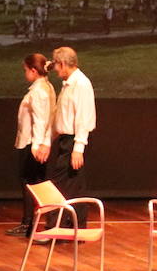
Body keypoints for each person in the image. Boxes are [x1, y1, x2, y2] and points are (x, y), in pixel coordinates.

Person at [6, 53, 56, 236]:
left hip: (31, 144)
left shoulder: (38, 91)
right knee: (34, 184)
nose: (25, 73)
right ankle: (29, 224)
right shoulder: (45, 87)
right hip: (33, 142)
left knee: (30, 184)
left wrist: (37, 145)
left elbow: (40, 121)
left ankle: (28, 224)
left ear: (34, 70)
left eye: (26, 70)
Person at [48, 46, 96, 226]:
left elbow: (83, 117)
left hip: (74, 141)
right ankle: (75, 226)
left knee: (61, 184)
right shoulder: (68, 83)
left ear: (63, 63)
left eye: (56, 65)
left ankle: (55, 226)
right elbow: (62, 116)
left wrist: (78, 148)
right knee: (74, 187)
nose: (55, 69)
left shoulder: (81, 84)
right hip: (66, 140)